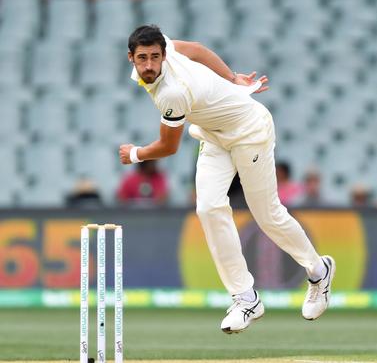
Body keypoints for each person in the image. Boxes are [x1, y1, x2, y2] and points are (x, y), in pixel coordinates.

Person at [118, 25, 335, 333]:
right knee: (208, 208)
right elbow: (196, 48)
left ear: (164, 55)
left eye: (155, 57)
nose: (150, 65)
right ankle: (246, 298)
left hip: (249, 132)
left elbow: (168, 146)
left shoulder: (172, 93)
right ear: (131, 58)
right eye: (143, 59)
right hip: (214, 135)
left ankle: (318, 270)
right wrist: (232, 78)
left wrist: (136, 154)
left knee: (267, 214)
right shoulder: (160, 53)